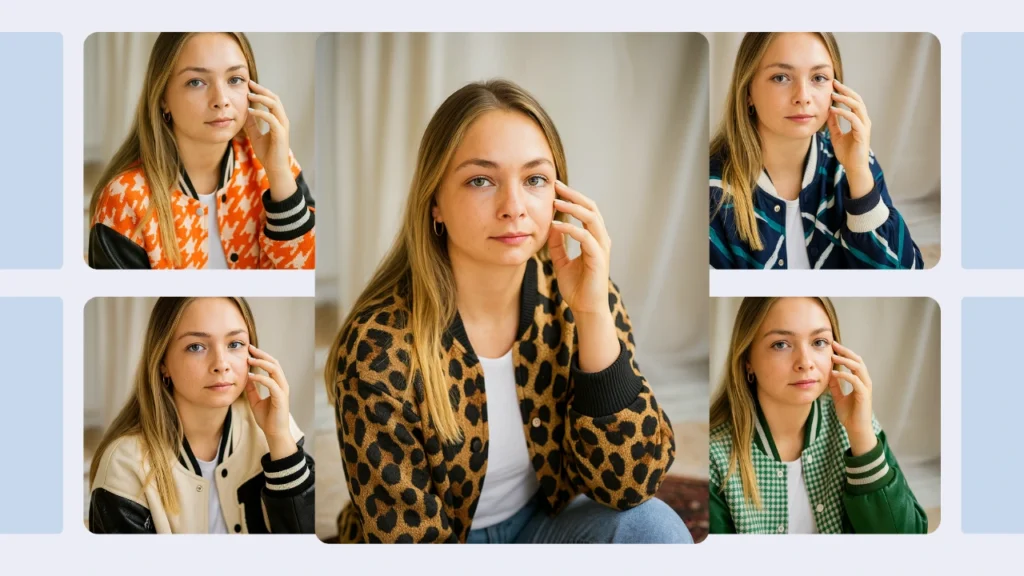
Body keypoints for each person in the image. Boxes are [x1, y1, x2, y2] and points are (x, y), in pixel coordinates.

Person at [325, 79, 691, 544]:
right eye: (481, 180)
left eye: (535, 179)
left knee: (655, 529)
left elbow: (630, 484)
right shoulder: (379, 345)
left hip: (540, 521)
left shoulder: (580, 299)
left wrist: (594, 314)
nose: (514, 207)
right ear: (435, 203)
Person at [88, 32, 315, 269]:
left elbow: (305, 269)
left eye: (235, 79)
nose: (221, 99)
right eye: (196, 82)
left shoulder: (276, 163)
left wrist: (279, 173)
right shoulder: (124, 197)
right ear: (163, 97)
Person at [89, 297, 314, 534]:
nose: (221, 364)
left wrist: (279, 438)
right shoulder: (125, 464)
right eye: (196, 346)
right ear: (163, 361)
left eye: (235, 344)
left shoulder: (273, 426)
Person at [708, 296, 928, 533]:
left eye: (819, 342)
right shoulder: (716, 455)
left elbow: (908, 539)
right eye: (781, 344)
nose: (805, 362)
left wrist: (861, 436)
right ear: (747, 360)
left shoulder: (857, 424)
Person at [709, 32, 922, 269]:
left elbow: (907, 273)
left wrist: (859, 174)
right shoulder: (710, 189)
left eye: (818, 78)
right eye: (781, 78)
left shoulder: (857, 163)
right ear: (748, 91)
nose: (803, 96)